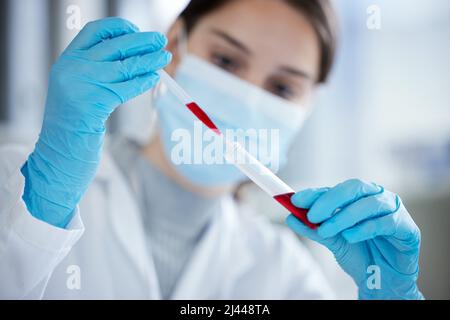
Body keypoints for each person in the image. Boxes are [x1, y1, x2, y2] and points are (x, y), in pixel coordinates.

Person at [0, 0, 423, 299]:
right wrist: (41, 210)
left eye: (282, 87)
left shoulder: (285, 274)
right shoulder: (21, 185)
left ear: (308, 107)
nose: (246, 98)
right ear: (174, 46)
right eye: (225, 60)